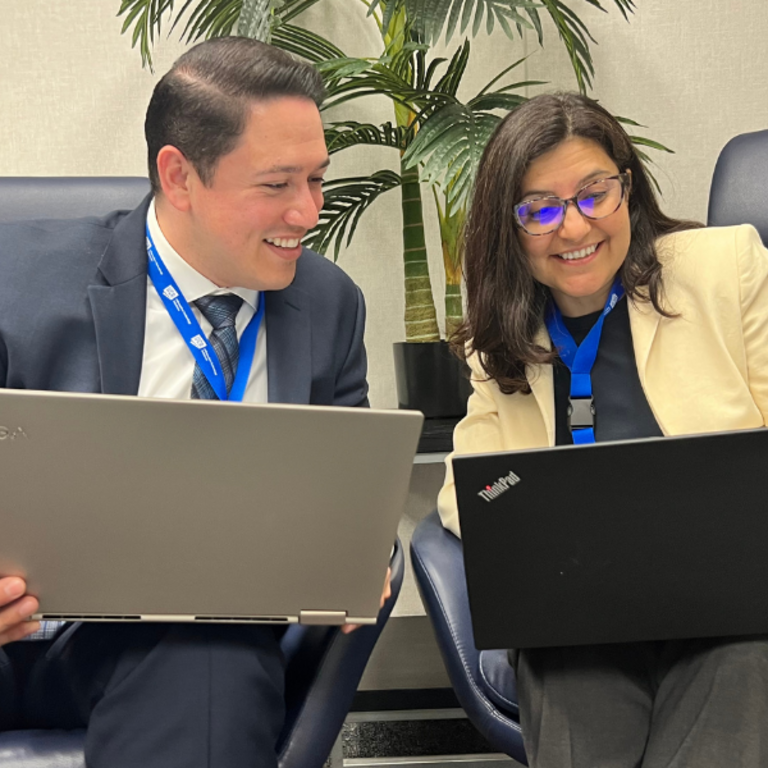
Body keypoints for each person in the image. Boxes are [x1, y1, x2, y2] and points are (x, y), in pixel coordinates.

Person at [0, 36, 390, 768]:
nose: (308, 211)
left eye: (317, 179)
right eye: (277, 185)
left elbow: (353, 493)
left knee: (208, 646)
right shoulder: (16, 281)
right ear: (179, 176)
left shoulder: (328, 304)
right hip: (12, 631)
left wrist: (358, 554)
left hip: (175, 655)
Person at [437, 92, 768, 767]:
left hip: (731, 608)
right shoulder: (501, 338)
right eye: (540, 210)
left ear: (628, 187)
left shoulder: (724, 268)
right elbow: (467, 489)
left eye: (595, 194)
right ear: (508, 227)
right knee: (566, 668)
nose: (574, 226)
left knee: (743, 658)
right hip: (581, 616)